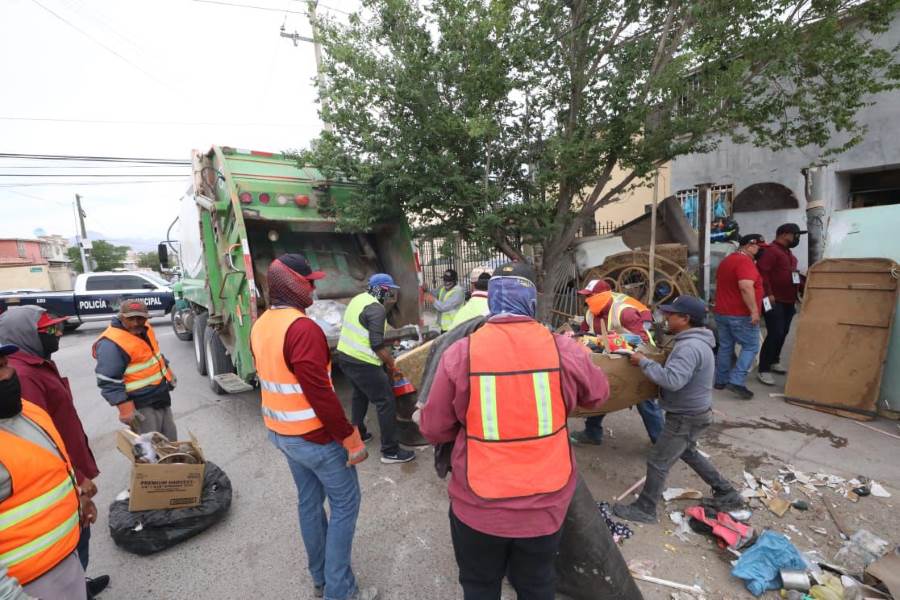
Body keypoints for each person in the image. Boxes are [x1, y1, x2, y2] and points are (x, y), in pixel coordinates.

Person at [420, 262, 610, 600]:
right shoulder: (564, 349)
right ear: (532, 300)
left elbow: (434, 429)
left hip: (478, 507)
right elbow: (598, 395)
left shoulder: (461, 353)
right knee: (537, 584)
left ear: (491, 300)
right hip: (545, 506)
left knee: (480, 586)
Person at [252, 255, 376, 600]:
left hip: (283, 434)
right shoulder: (302, 329)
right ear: (292, 284)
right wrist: (350, 438)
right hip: (315, 439)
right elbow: (320, 394)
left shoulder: (262, 324)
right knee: (345, 504)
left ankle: (321, 579)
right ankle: (340, 591)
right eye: (309, 282)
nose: (314, 288)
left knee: (309, 503)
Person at [0, 307, 108, 599]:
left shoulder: (33, 374)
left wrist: (76, 492)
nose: (57, 333)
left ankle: (82, 583)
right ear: (24, 334)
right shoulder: (25, 378)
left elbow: (49, 451)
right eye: (48, 330)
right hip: (32, 579)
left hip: (61, 552)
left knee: (79, 556)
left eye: (4, 363)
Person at [613, 296, 742, 524]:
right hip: (697, 412)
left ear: (685, 319)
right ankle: (726, 491)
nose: (666, 317)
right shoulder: (696, 341)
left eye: (671, 314)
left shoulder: (689, 347)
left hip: (686, 416)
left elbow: (673, 381)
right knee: (688, 452)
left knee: (658, 461)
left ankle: (645, 509)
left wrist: (644, 362)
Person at [569, 279, 663, 446]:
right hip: (608, 358)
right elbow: (583, 333)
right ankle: (592, 433)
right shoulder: (590, 313)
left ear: (603, 295)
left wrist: (615, 340)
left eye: (591, 296)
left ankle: (661, 443)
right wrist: (575, 338)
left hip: (636, 357)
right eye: (586, 296)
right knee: (601, 390)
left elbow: (641, 341)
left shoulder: (624, 312)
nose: (588, 300)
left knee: (642, 398)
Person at [336, 274, 415, 464]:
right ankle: (390, 450)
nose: (391, 294)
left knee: (360, 395)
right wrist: (393, 365)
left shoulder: (359, 299)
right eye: (389, 290)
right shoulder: (376, 309)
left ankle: (359, 434)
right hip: (362, 362)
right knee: (385, 401)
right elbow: (377, 344)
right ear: (382, 290)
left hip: (345, 356)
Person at [93, 299, 177, 440]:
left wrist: (168, 373)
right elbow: (108, 380)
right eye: (131, 319)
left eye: (140, 318)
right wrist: (125, 409)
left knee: (170, 440)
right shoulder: (111, 343)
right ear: (121, 317)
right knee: (150, 446)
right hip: (141, 403)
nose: (136, 323)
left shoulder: (146, 328)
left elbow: (154, 355)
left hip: (160, 394)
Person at [713, 234, 764, 399]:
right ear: (749, 246)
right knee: (751, 346)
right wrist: (754, 311)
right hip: (740, 314)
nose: (761, 250)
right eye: (759, 247)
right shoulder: (744, 262)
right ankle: (737, 380)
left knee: (726, 346)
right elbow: (745, 286)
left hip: (722, 312)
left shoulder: (727, 260)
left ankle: (720, 380)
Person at [756, 223, 806, 385]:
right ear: (784, 234)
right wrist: (768, 294)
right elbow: (762, 274)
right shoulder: (771, 251)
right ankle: (763, 369)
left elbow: (793, 276)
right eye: (795, 235)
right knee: (775, 332)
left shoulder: (788, 254)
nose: (797, 238)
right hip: (773, 300)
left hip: (789, 300)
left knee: (783, 332)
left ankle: (774, 360)